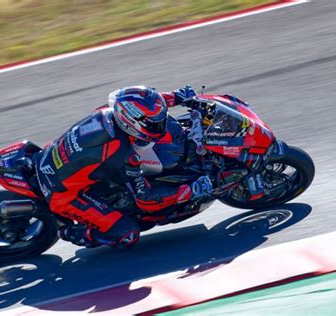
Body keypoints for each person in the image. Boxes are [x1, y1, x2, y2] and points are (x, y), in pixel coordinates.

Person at [36, 85, 213, 248]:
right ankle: (76, 233)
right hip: (63, 194)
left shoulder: (107, 113)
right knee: (127, 235)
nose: (161, 124)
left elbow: (145, 106)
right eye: (154, 123)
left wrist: (176, 97)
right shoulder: (124, 154)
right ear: (133, 123)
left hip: (50, 160)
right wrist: (190, 190)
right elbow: (146, 199)